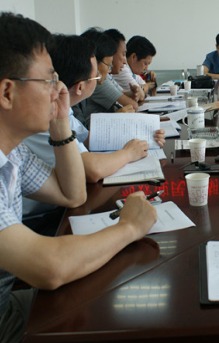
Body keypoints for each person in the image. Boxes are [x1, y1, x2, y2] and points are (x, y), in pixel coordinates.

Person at [0, 12, 157, 343]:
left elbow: (72, 194)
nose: (59, 90)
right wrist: (130, 227)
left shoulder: (5, 146)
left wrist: (61, 124)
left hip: (3, 310)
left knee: (114, 306)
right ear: (7, 92)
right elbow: (49, 267)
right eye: (49, 80)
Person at [22, 34, 165, 233]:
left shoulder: (63, 110)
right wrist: (128, 154)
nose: (102, 78)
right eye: (96, 76)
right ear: (81, 86)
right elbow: (92, 169)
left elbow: (90, 140)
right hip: (41, 220)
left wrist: (146, 135)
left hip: (60, 207)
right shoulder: (43, 117)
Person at [72, 27, 138, 128]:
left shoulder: (86, 84)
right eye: (108, 65)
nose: (109, 71)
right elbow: (81, 132)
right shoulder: (72, 89)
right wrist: (113, 119)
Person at [107, 28, 148, 101]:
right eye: (123, 54)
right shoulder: (103, 79)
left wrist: (136, 92)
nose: (125, 61)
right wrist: (138, 91)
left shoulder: (110, 77)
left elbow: (128, 94)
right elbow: (134, 102)